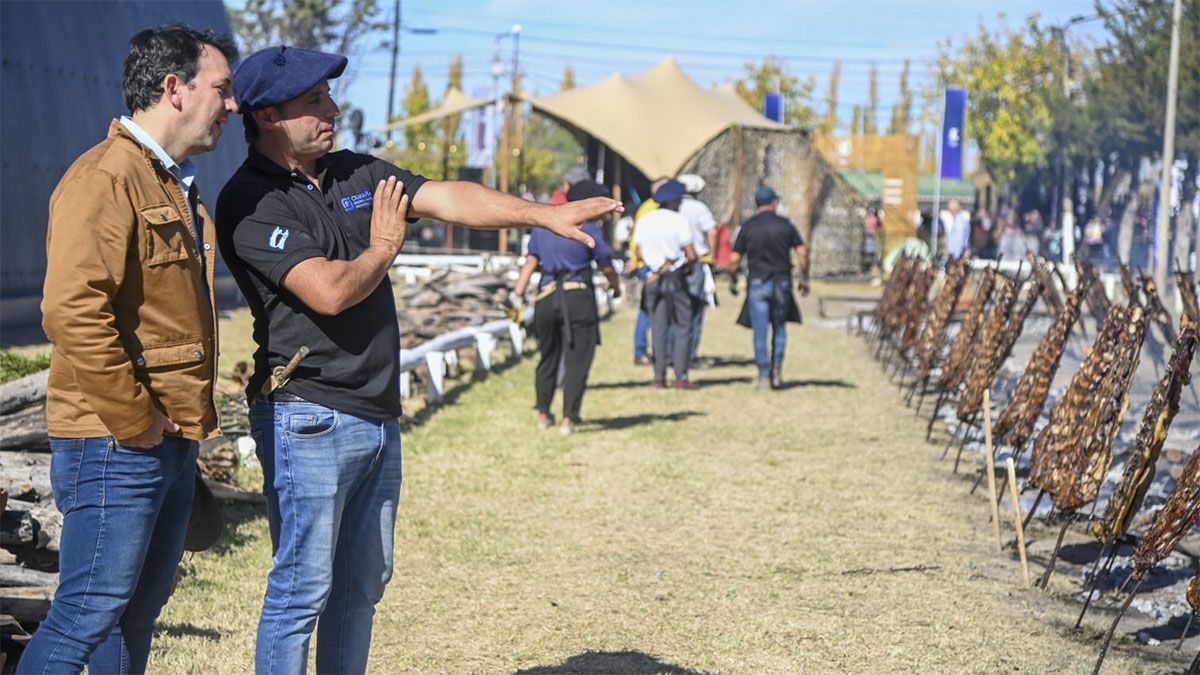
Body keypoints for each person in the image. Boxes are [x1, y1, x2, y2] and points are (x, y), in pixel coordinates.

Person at [216, 46, 621, 675]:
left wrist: (543, 215)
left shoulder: (353, 171)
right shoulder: (249, 202)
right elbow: (329, 290)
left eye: (329, 95)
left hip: (376, 413)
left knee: (362, 587)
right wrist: (383, 248)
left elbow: (452, 198)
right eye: (314, 102)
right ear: (268, 116)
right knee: (301, 591)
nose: (334, 109)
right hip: (307, 417)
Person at [18, 26, 238, 675]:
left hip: (163, 440)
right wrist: (136, 417)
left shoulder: (168, 182)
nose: (232, 107)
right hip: (114, 441)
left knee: (134, 612)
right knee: (87, 610)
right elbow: (71, 310)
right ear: (175, 88)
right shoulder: (104, 179)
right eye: (222, 91)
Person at [513, 179, 621, 435]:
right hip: (578, 296)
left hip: (546, 297)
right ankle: (569, 418)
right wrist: (615, 286)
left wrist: (517, 293)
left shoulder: (542, 228)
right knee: (577, 360)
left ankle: (543, 413)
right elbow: (606, 264)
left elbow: (530, 263)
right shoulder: (590, 229)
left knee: (547, 357)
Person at [728, 186, 809, 392]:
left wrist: (732, 278)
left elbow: (734, 258)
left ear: (756, 205)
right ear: (774, 203)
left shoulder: (748, 227)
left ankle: (763, 376)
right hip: (781, 282)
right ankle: (777, 371)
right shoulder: (786, 226)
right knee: (780, 328)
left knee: (760, 331)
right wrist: (804, 277)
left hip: (757, 283)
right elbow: (802, 253)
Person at [635, 179, 699, 389]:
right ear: (673, 201)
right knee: (683, 325)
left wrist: (653, 264)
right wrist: (688, 266)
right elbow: (690, 253)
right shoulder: (679, 221)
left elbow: (638, 252)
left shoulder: (645, 220)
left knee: (658, 327)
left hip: (653, 277)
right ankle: (681, 375)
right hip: (675, 277)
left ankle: (659, 377)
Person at [677, 173, 718, 367]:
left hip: (674, 264)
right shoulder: (700, 208)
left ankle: (672, 353)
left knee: (675, 311)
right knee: (695, 310)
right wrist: (712, 255)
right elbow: (711, 230)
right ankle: (690, 355)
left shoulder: (671, 207)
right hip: (697, 263)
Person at [629, 177, 669, 366]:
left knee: (650, 310)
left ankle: (648, 351)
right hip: (652, 266)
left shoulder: (649, 209)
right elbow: (638, 241)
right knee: (649, 310)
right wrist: (640, 265)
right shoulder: (650, 210)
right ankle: (643, 351)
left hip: (650, 264)